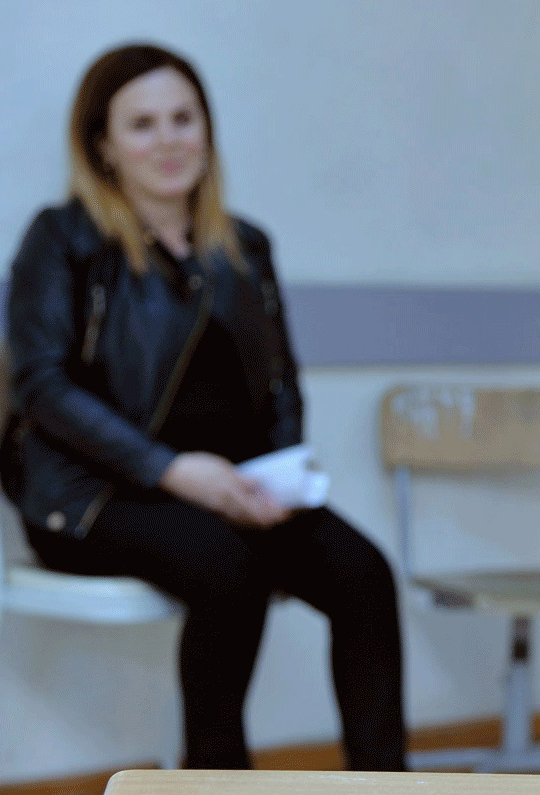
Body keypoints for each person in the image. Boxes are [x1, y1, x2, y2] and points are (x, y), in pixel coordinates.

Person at [1, 43, 406, 770]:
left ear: (208, 129)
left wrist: (281, 478)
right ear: (103, 146)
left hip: (229, 487)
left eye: (183, 119)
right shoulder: (62, 239)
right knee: (229, 567)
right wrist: (173, 471)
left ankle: (386, 784)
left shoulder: (245, 246)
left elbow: (281, 385)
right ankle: (216, 781)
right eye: (142, 124)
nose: (169, 140)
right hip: (90, 495)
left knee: (364, 574)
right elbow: (41, 386)